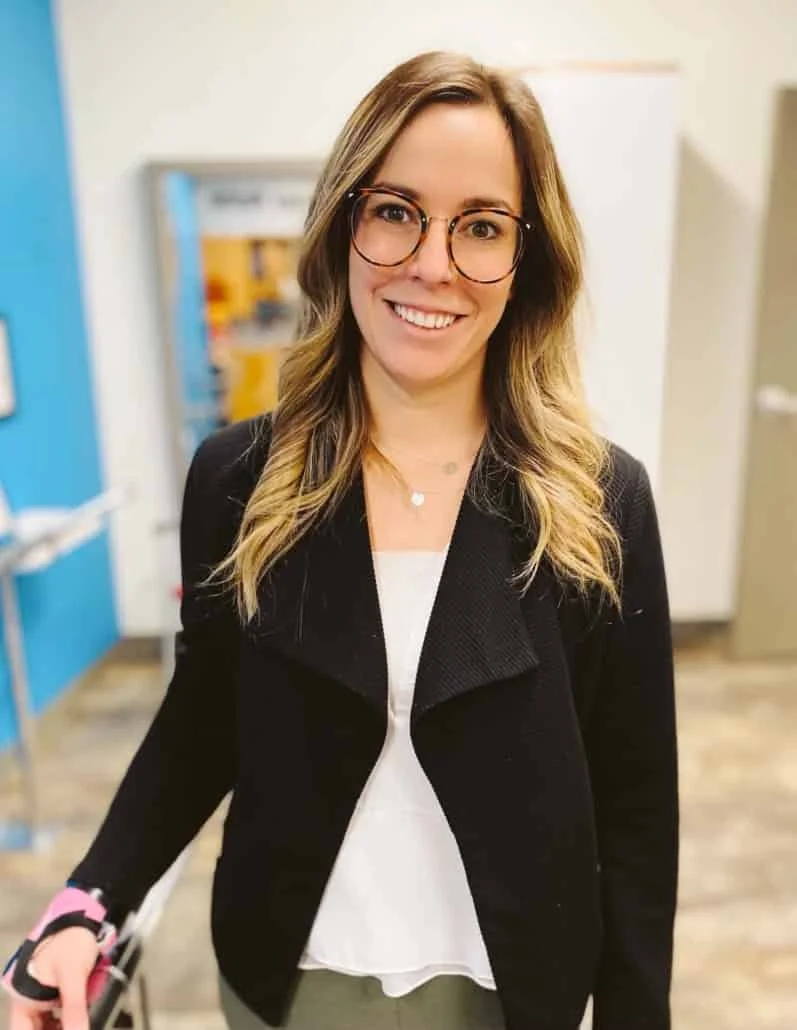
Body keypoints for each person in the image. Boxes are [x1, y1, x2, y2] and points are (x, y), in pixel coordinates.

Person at [4, 50, 678, 1030]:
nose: (432, 264)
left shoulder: (597, 498)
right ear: (344, 221)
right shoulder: (242, 478)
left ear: (525, 258)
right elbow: (203, 720)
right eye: (396, 210)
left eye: (480, 226)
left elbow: (636, 804)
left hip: (508, 991)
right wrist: (86, 902)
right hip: (289, 983)